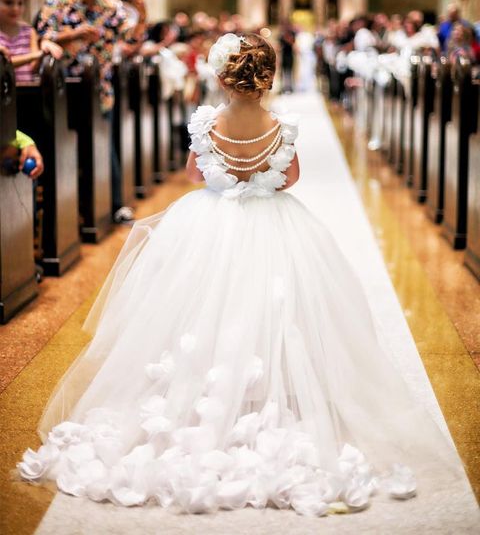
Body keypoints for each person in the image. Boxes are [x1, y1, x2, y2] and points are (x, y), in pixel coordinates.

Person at [18, 32, 463, 517]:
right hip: (275, 221)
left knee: (201, 305)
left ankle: (199, 390)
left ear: (222, 78)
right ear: (268, 78)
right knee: (278, 309)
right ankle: (278, 390)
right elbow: (291, 179)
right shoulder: (281, 124)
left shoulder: (208, 122)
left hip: (209, 222)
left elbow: (194, 174)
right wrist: (260, 177)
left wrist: (226, 173)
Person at [35, 0, 147, 224]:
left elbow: (132, 42)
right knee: (64, 149)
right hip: (62, 87)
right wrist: (75, 34)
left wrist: (141, 15)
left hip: (100, 88)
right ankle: (64, 214)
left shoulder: (111, 6)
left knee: (102, 147)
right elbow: (43, 36)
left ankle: (112, 206)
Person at [0, 0, 62, 81]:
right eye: (8, 2)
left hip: (26, 91)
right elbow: (4, 64)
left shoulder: (29, 32)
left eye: (20, 3)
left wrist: (44, 46)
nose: (15, 8)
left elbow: (34, 66)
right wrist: (35, 55)